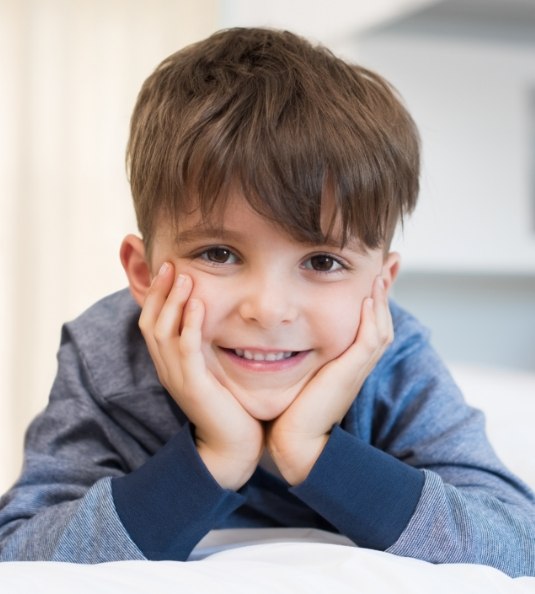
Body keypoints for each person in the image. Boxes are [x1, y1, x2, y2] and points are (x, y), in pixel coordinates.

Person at [0, 27, 534, 576]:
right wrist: (216, 457)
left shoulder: (393, 364)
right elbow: (19, 553)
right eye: (219, 253)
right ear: (142, 273)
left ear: (382, 284)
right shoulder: (105, 357)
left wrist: (313, 451)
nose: (269, 309)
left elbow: (517, 546)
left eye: (323, 262)